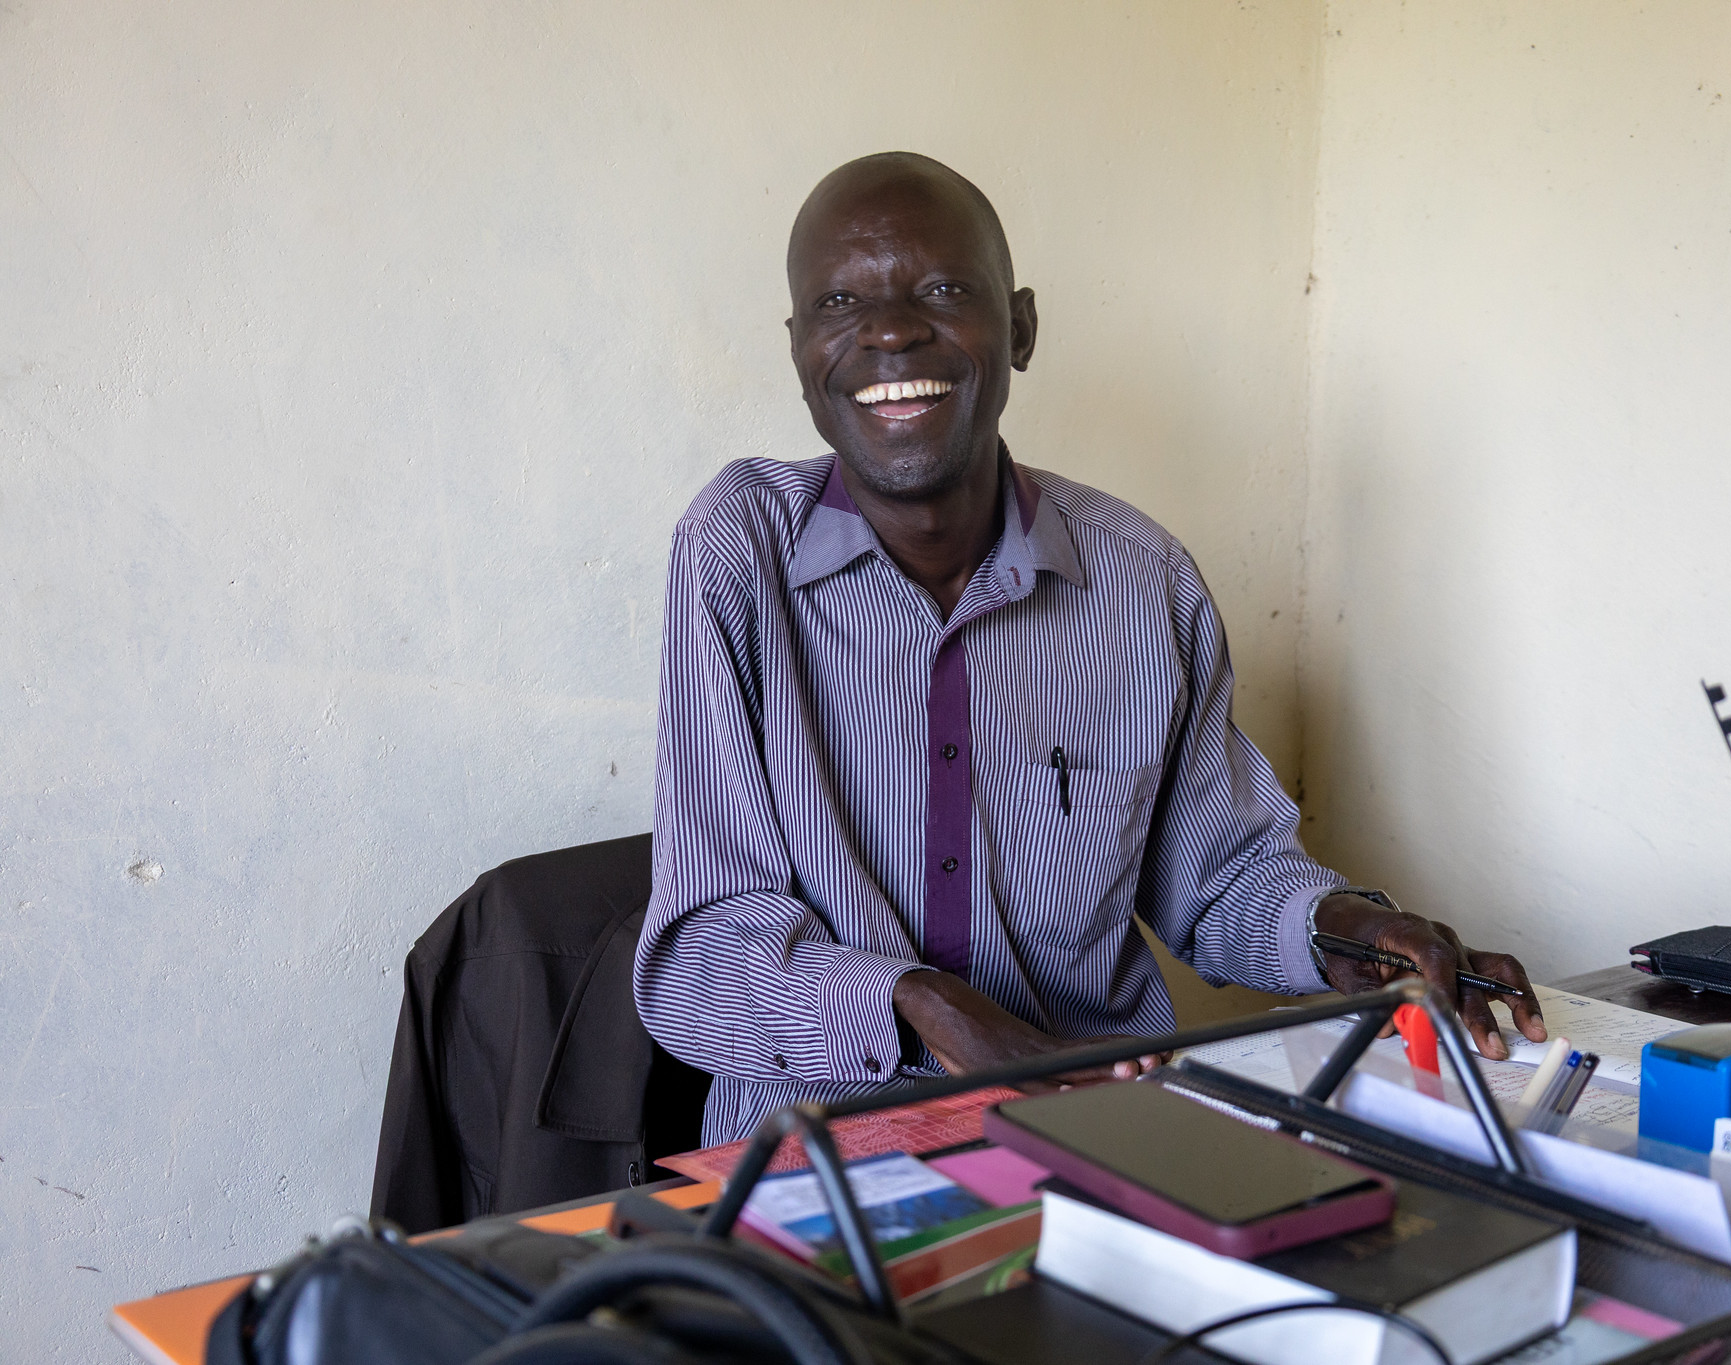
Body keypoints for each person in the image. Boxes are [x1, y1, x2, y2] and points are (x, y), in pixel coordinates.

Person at [635, 152, 1544, 1144]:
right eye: (839, 302)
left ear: (1019, 328)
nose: (888, 330)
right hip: (815, 1153)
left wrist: (1347, 932)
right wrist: (930, 1007)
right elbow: (698, 958)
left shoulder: (1141, 579)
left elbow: (1219, 877)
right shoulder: (735, 551)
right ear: (799, 347)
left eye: (941, 290)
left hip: (1096, 1139)